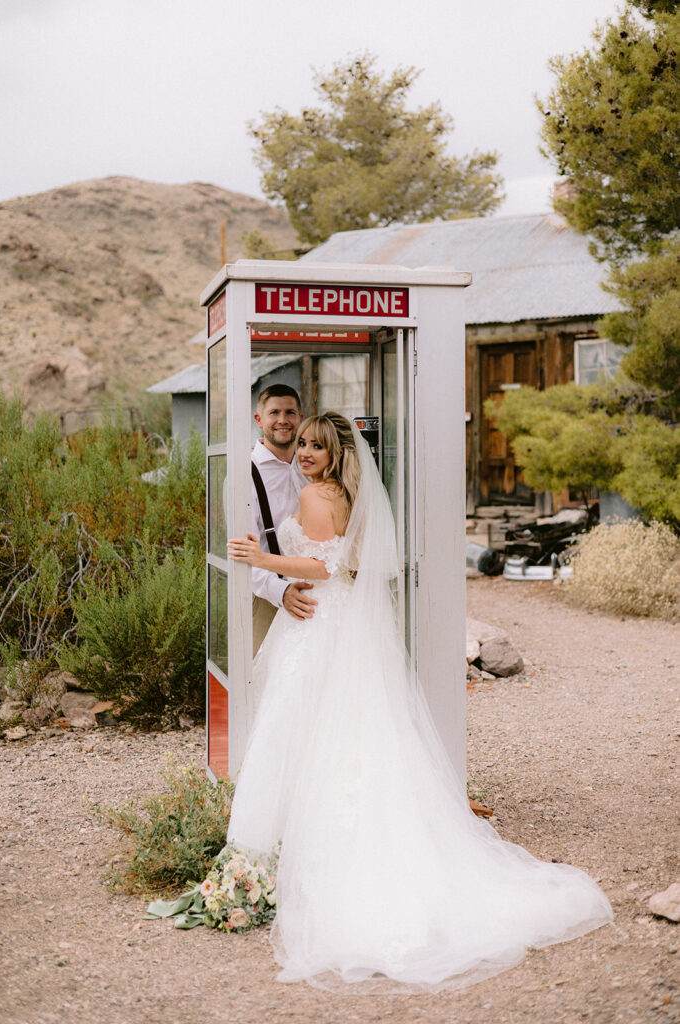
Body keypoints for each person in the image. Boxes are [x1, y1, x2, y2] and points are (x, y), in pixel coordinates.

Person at [227, 412, 613, 993]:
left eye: (316, 445)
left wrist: (263, 562)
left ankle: (286, 855)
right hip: (336, 623)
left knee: (305, 729)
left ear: (335, 453)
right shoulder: (340, 492)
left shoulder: (313, 493)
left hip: (319, 625)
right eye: (302, 443)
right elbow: (335, 554)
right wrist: (274, 549)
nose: (305, 451)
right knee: (343, 734)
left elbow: (324, 565)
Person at [248, 384, 318, 656]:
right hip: (269, 597)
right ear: (259, 420)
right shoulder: (246, 475)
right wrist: (282, 591)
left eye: (290, 412)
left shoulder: (312, 465)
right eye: (274, 412)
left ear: (300, 418)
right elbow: (243, 553)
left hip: (318, 593)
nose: (282, 420)